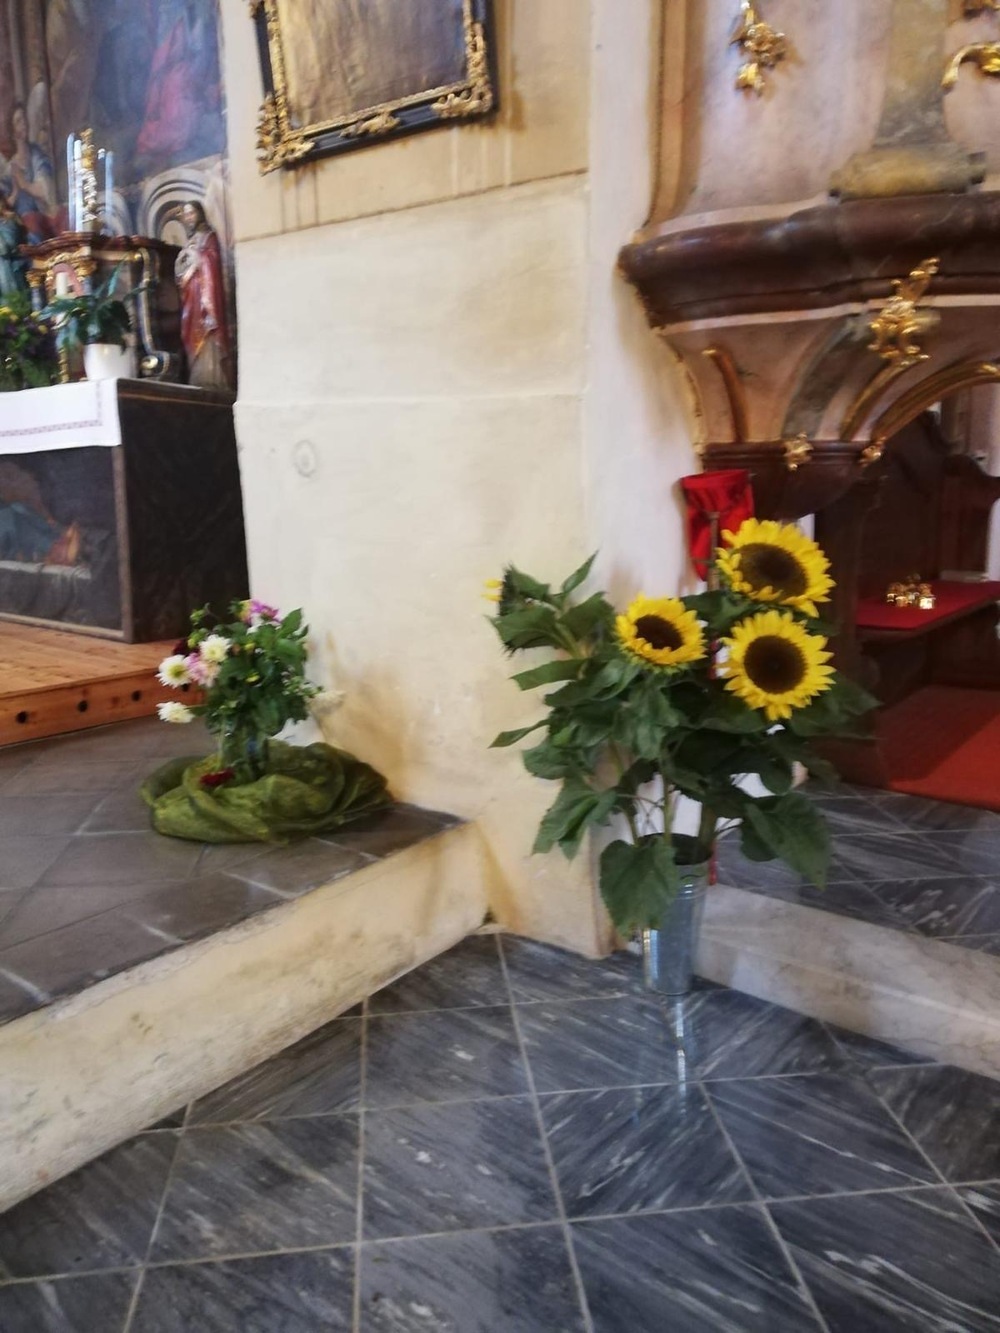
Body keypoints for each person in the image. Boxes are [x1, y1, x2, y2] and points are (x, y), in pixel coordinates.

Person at [175, 200, 232, 390]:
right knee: (191, 330)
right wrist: (182, 261)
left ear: (199, 213)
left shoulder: (209, 237)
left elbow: (212, 260)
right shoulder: (190, 241)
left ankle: (212, 377)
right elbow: (181, 271)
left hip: (206, 294)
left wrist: (198, 257)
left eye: (191, 213)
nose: (189, 217)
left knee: (208, 330)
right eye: (186, 214)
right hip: (191, 294)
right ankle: (197, 375)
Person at [6, 101, 55, 244]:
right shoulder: (10, 168)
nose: (23, 124)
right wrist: (16, 191)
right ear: (13, 130)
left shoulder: (37, 155)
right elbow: (5, 206)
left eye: (24, 119)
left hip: (45, 217)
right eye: (18, 121)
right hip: (26, 225)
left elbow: (46, 191)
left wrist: (24, 184)